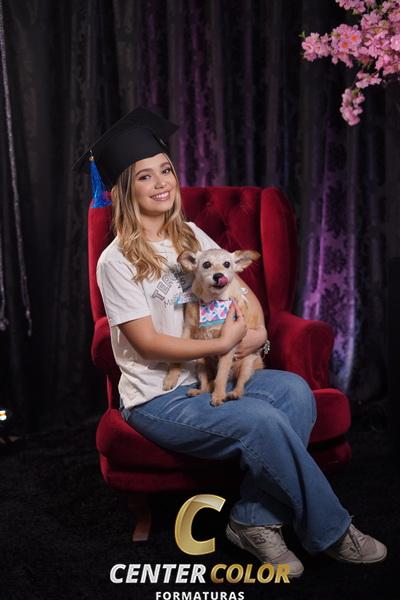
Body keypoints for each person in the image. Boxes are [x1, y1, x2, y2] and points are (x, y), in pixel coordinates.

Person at [75, 107, 387, 578]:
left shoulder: (190, 235)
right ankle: (333, 531)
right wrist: (221, 345)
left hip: (210, 374)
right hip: (158, 397)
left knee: (295, 392)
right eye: (145, 176)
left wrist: (255, 336)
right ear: (123, 190)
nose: (161, 183)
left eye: (165, 170)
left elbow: (241, 297)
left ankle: (251, 520)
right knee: (261, 420)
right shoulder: (116, 261)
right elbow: (148, 343)